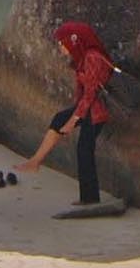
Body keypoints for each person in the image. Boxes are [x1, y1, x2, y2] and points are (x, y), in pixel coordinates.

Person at [17, 21, 116, 208]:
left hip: (95, 112)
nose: (61, 47)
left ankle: (90, 198)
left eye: (63, 43)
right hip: (87, 109)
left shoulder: (92, 58)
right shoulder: (81, 58)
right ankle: (36, 161)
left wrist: (74, 120)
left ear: (74, 41)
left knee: (84, 151)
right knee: (59, 121)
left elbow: (90, 93)